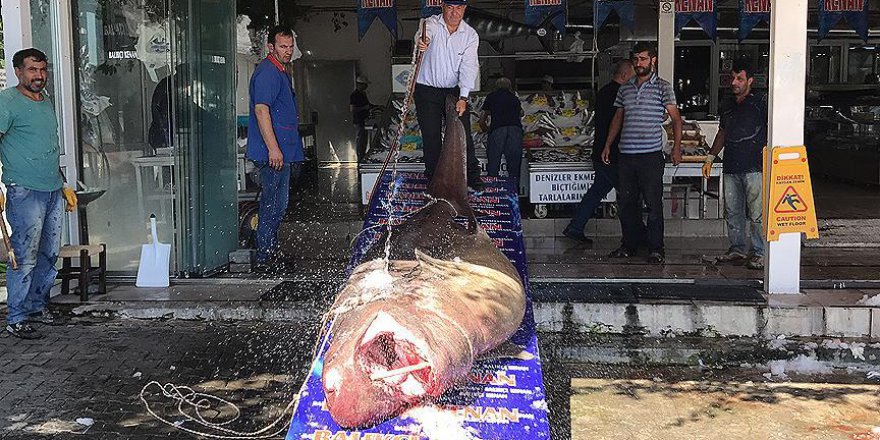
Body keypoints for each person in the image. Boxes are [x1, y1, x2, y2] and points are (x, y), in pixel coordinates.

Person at [0, 48, 78, 339]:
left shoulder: (45, 101)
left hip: (52, 189)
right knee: (24, 255)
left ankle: (36, 306)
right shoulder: (7, 102)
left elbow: (48, 147)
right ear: (18, 71)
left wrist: (63, 184)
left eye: (43, 70)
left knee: (48, 253)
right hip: (24, 191)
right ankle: (16, 317)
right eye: (32, 70)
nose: (39, 75)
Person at [602, 42, 682, 264]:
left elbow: (676, 119)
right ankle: (629, 245)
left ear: (653, 60)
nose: (639, 63)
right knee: (627, 204)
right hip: (626, 154)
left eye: (643, 59)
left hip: (650, 155)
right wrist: (608, 144)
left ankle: (656, 248)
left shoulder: (663, 87)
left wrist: (676, 148)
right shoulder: (625, 89)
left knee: (653, 204)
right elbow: (618, 118)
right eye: (636, 59)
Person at [247, 26, 304, 267]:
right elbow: (261, 110)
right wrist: (273, 148)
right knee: (273, 205)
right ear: (271, 47)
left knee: (277, 205)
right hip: (272, 153)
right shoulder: (268, 73)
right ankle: (265, 255)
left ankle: (271, 251)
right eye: (282, 46)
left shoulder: (280, 72)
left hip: (282, 150)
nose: (288, 51)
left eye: (290, 46)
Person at [563, 59, 636, 244]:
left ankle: (575, 227)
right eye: (633, 74)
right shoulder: (621, 94)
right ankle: (636, 233)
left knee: (597, 192)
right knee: (629, 195)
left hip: (600, 151)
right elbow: (618, 122)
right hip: (612, 153)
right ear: (624, 75)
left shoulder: (603, 92)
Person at [703, 60, 767, 270]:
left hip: (755, 166)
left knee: (756, 213)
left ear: (750, 80)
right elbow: (722, 132)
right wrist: (710, 157)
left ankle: (760, 252)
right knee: (732, 211)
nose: (734, 82)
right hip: (731, 165)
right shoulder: (728, 104)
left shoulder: (760, 103)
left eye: (739, 78)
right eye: (732, 78)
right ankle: (737, 248)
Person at [415, 0, 482, 191]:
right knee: (431, 137)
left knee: (463, 133)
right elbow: (423, 35)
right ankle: (434, 180)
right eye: (450, 7)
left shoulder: (470, 35)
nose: (454, 12)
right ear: (442, 7)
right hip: (427, 90)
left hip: (454, 91)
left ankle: (472, 177)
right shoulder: (430, 23)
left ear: (464, 9)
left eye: (459, 8)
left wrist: (463, 97)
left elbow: (469, 67)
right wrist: (422, 41)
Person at [478, 77, 523, 191]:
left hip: (498, 130)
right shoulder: (514, 98)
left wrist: (487, 130)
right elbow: (521, 113)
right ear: (510, 87)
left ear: (496, 87)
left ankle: (493, 192)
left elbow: (482, 120)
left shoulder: (491, 97)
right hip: (515, 131)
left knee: (493, 164)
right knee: (514, 166)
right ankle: (514, 192)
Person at [350, 75, 372, 162]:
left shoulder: (363, 94)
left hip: (364, 120)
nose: (366, 86)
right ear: (360, 84)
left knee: (364, 140)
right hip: (359, 121)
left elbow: (368, 105)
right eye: (365, 85)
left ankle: (363, 157)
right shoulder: (354, 95)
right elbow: (353, 109)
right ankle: (360, 159)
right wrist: (364, 108)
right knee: (360, 141)